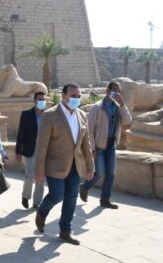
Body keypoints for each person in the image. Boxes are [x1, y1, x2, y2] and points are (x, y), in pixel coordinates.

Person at [34, 83, 95, 246]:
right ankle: (42, 212)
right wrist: (39, 170)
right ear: (63, 96)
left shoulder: (82, 115)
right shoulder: (50, 115)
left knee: (71, 198)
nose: (76, 98)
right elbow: (42, 145)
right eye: (73, 95)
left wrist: (91, 165)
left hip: (76, 165)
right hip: (54, 165)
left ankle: (65, 231)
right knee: (57, 195)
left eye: (78, 96)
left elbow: (86, 143)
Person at [80, 81, 132, 209]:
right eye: (114, 90)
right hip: (99, 146)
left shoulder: (118, 106)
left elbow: (128, 121)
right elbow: (89, 129)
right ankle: (85, 186)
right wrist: (92, 148)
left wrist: (122, 104)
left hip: (111, 144)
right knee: (99, 172)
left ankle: (105, 200)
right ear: (107, 91)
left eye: (118, 91)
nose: (117, 93)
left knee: (111, 173)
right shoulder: (97, 107)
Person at [15, 92, 47, 209]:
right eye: (40, 99)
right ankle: (25, 196)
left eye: (44, 99)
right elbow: (21, 133)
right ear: (34, 100)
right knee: (29, 175)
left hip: (44, 151)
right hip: (30, 150)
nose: (42, 101)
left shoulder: (49, 114)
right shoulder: (27, 114)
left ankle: (37, 202)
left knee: (41, 177)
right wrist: (18, 150)